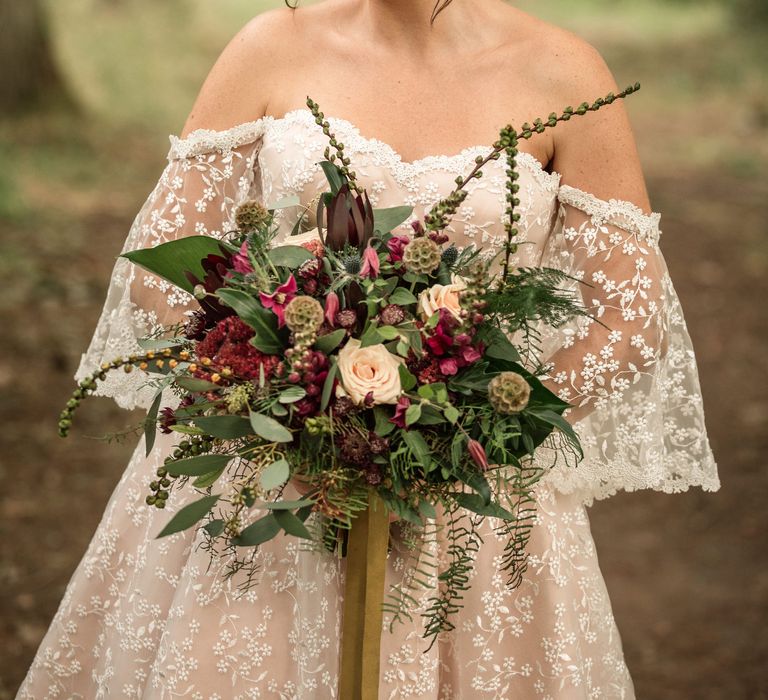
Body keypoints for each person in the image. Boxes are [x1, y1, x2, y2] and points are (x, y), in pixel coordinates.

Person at [16, 1, 719, 697]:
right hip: (269, 488)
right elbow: (159, 269)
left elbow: (630, 311)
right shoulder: (271, 45)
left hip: (466, 496)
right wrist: (267, 403)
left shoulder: (565, 74)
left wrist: (479, 432)